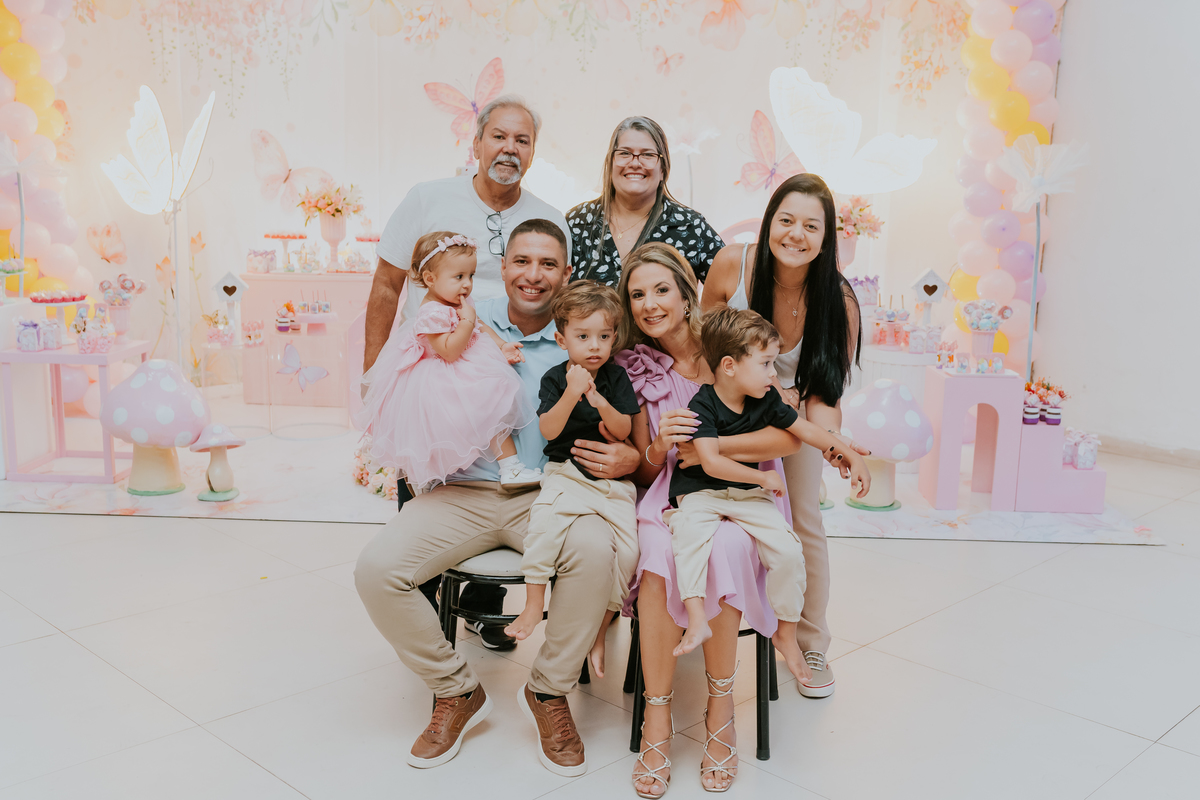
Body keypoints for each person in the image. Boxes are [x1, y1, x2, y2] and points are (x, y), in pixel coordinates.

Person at [354, 219, 641, 777]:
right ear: (502, 265)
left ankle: (548, 691)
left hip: (549, 492)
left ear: (566, 273)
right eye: (522, 261)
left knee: (593, 553)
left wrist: (630, 457)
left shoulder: (583, 337)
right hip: (462, 491)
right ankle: (455, 689)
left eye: (549, 264)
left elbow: (630, 428)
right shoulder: (464, 314)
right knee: (377, 570)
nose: (533, 275)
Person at [364, 95, 570, 651]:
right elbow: (386, 287)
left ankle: (479, 609)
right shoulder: (428, 199)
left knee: (496, 467)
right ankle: (428, 615)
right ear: (475, 143)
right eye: (499, 136)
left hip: (494, 367)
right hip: (432, 372)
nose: (509, 148)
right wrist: (374, 376)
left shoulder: (548, 216)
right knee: (430, 484)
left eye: (522, 140)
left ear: (533, 152)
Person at [607, 243, 807, 795]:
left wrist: (716, 450)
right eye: (638, 294)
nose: (650, 304)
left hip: (746, 489)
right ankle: (657, 717)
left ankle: (722, 708)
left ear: (687, 289)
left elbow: (788, 435)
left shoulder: (730, 344)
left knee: (727, 549)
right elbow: (649, 472)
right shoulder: (633, 368)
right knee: (658, 551)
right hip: (673, 495)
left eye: (661, 289)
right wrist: (659, 450)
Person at [701, 172, 869, 699]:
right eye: (786, 220)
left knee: (804, 519)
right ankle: (704, 618)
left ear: (827, 238)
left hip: (794, 420)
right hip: (726, 408)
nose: (796, 234)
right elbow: (704, 351)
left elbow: (825, 392)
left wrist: (834, 443)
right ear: (770, 221)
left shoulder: (838, 301)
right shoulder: (735, 264)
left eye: (811, 226)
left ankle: (810, 640)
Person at [667, 306, 868, 685]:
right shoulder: (701, 405)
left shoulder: (767, 401)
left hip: (746, 499)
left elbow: (806, 431)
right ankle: (695, 619)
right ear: (729, 365)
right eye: (766, 364)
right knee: (690, 538)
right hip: (701, 495)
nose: (775, 374)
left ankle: (786, 634)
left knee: (790, 552)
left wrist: (849, 453)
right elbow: (709, 463)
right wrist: (761, 480)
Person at [504, 281, 641, 683]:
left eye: (603, 336)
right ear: (562, 339)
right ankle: (532, 603)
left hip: (612, 484)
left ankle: (599, 630)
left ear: (614, 337)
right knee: (544, 526)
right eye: (583, 337)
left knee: (629, 553)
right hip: (565, 474)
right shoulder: (553, 378)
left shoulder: (615, 379)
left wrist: (599, 401)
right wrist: (572, 392)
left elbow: (622, 432)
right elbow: (548, 430)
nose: (594, 346)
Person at [354, 231, 542, 490]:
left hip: (464, 364)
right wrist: (466, 319)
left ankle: (511, 468)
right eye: (459, 277)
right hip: (442, 375)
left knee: (493, 413)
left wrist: (501, 345)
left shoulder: (456, 300)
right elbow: (449, 351)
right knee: (455, 428)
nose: (467, 284)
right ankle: (434, 481)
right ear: (430, 279)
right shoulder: (431, 312)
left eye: (470, 276)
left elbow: (480, 326)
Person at [566, 116, 723, 288]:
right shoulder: (577, 222)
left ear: (663, 169)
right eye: (624, 153)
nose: (635, 163)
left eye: (647, 155)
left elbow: (731, 284)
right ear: (610, 163)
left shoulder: (690, 226)